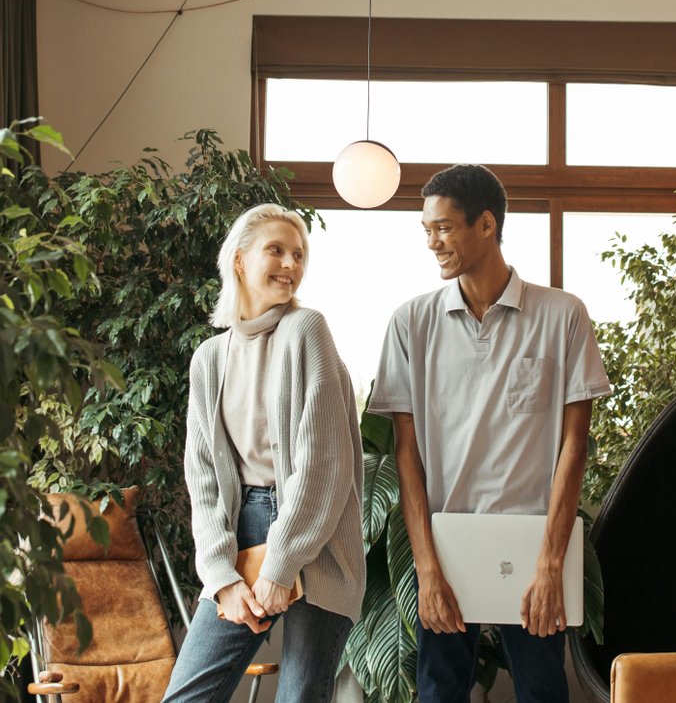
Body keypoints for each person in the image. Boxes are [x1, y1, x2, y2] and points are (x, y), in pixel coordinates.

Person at [369, 165, 611, 703]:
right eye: (426, 230)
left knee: (544, 693)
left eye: (443, 228)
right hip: (446, 550)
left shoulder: (563, 316)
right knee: (439, 694)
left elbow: (574, 447)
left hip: (532, 546)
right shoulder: (411, 323)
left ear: (486, 224)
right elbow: (407, 455)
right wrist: (426, 567)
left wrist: (550, 562)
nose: (432, 242)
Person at [163, 204, 365, 703]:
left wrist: (281, 565)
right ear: (238, 259)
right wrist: (219, 573)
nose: (290, 265)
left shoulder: (306, 331)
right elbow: (204, 477)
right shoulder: (209, 359)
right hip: (242, 531)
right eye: (275, 250)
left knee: (299, 696)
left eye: (299, 254)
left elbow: (324, 465)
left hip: (315, 538)